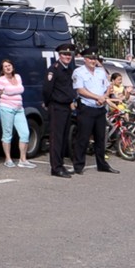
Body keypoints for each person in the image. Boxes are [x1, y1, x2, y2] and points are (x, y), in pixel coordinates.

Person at [70, 50, 116, 173]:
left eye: (94, 58)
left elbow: (108, 87)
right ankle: (78, 165)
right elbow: (80, 90)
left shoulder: (101, 72)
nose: (92, 61)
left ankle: (102, 165)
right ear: (85, 59)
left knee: (100, 138)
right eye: (90, 58)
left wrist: (104, 97)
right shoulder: (79, 72)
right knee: (83, 138)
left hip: (100, 109)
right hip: (87, 108)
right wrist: (97, 98)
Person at [45, 43, 78, 177]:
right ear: (59, 55)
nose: (67, 57)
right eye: (65, 54)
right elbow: (47, 90)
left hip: (66, 107)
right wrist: (49, 104)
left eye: (69, 55)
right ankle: (56, 168)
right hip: (57, 107)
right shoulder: (54, 69)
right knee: (56, 139)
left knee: (64, 138)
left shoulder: (68, 69)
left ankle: (60, 164)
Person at [0, 58, 33, 168]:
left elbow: (19, 90)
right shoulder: (1, 80)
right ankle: (8, 159)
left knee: (25, 133)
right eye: (5, 66)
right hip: (6, 108)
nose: (8, 67)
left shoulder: (18, 77)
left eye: (9, 65)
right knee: (7, 134)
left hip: (19, 108)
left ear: (12, 66)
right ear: (3, 69)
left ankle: (23, 159)